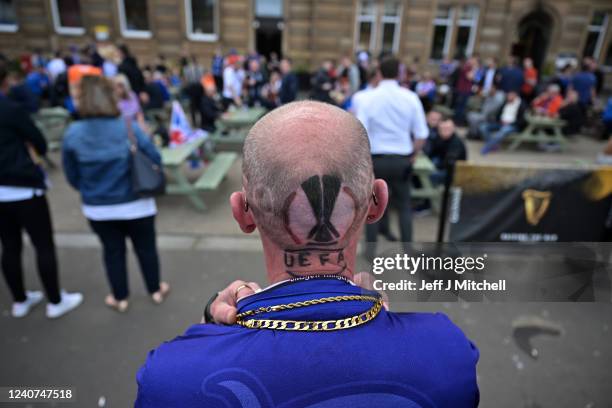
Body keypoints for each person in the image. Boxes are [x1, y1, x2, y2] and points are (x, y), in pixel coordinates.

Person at [134, 101, 479, 407]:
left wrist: (210, 323)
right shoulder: (448, 355)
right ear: (378, 203)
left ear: (242, 212)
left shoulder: (172, 380)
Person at [62, 75, 169, 313]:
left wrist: (91, 188)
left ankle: (120, 297)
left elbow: (71, 175)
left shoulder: (73, 132)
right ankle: (155, 290)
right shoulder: (127, 125)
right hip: (137, 203)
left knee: (112, 251)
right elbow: (155, 157)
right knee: (146, 248)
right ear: (111, 97)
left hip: (98, 207)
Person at [0, 65, 83, 319]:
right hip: (24, 188)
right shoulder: (10, 109)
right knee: (43, 245)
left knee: (9, 246)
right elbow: (39, 141)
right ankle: (55, 301)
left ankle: (20, 300)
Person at [360, 57, 429, 257]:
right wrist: (413, 154)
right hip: (401, 158)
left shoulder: (368, 98)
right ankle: (408, 249)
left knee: (372, 204)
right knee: (404, 204)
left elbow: (361, 130)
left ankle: (370, 251)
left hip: (376, 158)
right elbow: (422, 134)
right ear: (399, 73)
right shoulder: (410, 97)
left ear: (379, 72)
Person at [479, 90, 527, 154]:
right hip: (501, 123)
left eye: (510, 96)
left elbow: (522, 120)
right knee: (483, 127)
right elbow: (498, 114)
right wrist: (499, 120)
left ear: (515, 96)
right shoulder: (505, 102)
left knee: (502, 132)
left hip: (513, 125)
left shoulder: (521, 104)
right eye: (508, 96)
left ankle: (487, 147)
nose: (508, 97)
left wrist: (510, 123)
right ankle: (493, 145)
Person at [426, 118, 467, 185]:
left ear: (453, 129)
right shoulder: (439, 138)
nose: (445, 131)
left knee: (429, 175)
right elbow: (432, 153)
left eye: (448, 129)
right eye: (442, 129)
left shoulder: (456, 143)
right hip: (442, 165)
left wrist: (434, 168)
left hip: (453, 172)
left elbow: (449, 162)